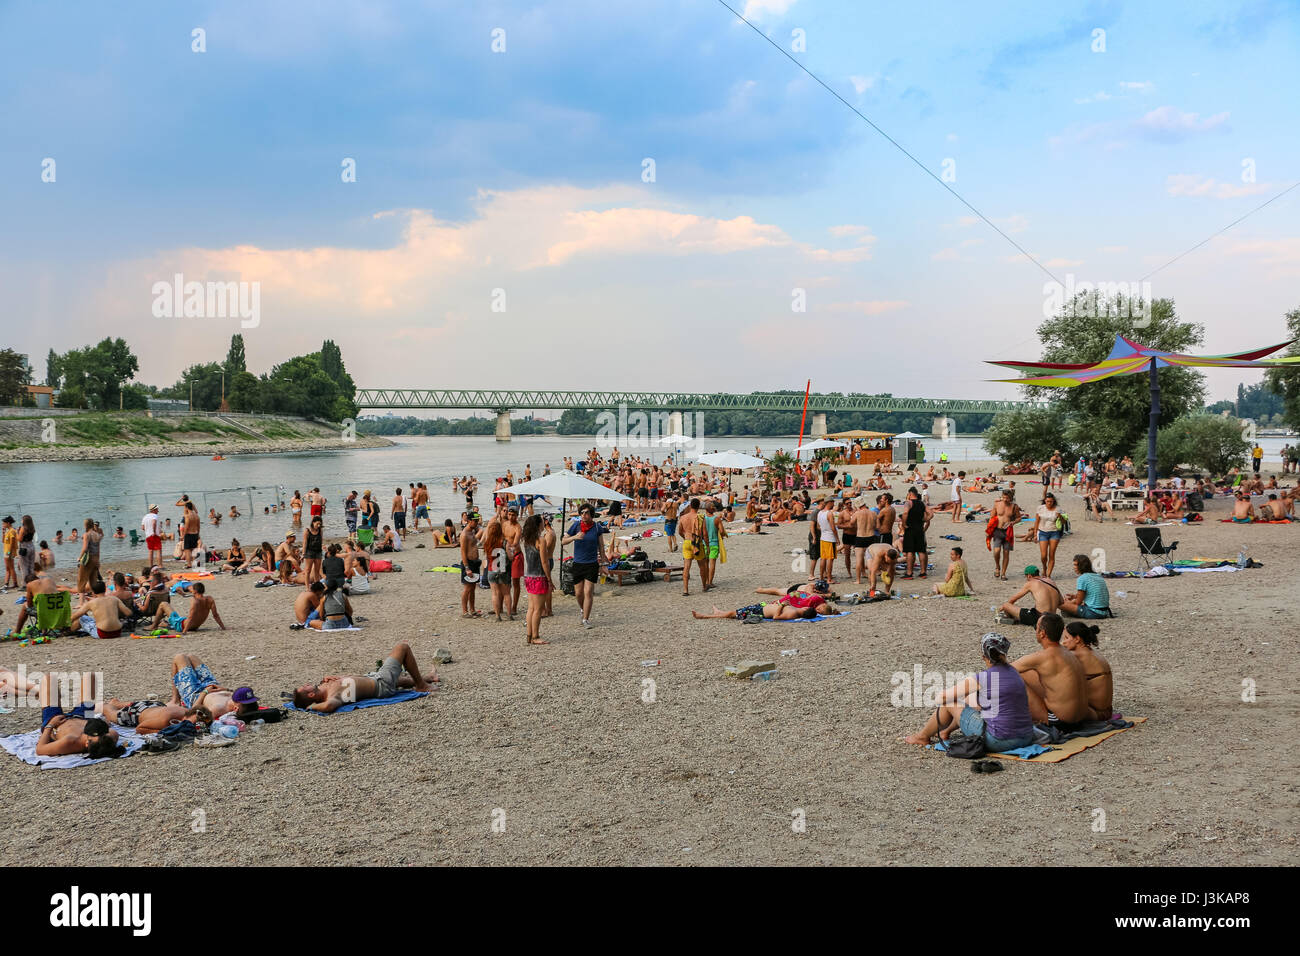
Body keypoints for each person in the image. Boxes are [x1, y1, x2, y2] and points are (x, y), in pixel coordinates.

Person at [903, 632, 1035, 752]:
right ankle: (945, 732)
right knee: (971, 699)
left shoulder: (983, 678)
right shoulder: (1015, 672)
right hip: (1026, 737)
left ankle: (922, 736)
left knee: (950, 703)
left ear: (984, 656)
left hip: (999, 741)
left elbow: (942, 698)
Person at [292, 641, 437, 712]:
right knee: (402, 647)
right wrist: (313, 707)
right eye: (305, 687)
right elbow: (330, 705)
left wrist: (335, 678)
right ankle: (421, 685)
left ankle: (427, 678)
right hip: (381, 684)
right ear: (311, 694)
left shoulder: (324, 687)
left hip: (373, 678)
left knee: (398, 680)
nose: (306, 683)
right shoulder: (332, 696)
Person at [1011, 612, 1094, 723]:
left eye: (1036, 627)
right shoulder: (1069, 653)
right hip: (1082, 718)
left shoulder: (1042, 657)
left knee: (1013, 677)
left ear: (1042, 633)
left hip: (1061, 721)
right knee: (1028, 673)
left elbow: (1002, 670)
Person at [36, 673, 125, 759]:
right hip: (84, 716)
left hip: (55, 722)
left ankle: (42, 692)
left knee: (49, 678)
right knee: (90, 676)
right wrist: (102, 724)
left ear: (87, 743)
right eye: (102, 732)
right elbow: (108, 730)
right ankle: (47, 693)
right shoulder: (110, 737)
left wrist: (50, 725)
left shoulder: (70, 742)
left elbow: (40, 750)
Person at [562, 503, 607, 629]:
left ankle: (586, 619)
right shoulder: (576, 526)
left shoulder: (597, 527)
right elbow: (563, 541)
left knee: (588, 592)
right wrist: (575, 537)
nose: (583, 515)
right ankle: (583, 609)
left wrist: (603, 564)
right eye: (581, 512)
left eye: (586, 512)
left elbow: (602, 547)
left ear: (591, 514)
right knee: (578, 593)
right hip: (578, 563)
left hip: (592, 564)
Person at [1062, 621, 1113, 720]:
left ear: (1077, 639)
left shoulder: (1077, 655)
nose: (1063, 642)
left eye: (1066, 638)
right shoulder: (1091, 652)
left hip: (1094, 713)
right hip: (1107, 711)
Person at [168, 652, 243, 719]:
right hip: (211, 685)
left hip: (195, 695)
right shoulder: (243, 701)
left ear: (236, 708)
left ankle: (175, 700)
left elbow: (193, 712)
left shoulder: (218, 708)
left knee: (179, 657)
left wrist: (205, 692)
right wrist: (226, 689)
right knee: (191, 656)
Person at [997, 564, 1062, 627]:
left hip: (1039, 618)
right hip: (1053, 617)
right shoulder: (1050, 581)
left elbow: (1013, 599)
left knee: (1006, 605)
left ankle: (1012, 618)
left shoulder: (1031, 583)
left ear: (1029, 576)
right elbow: (1061, 602)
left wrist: (1004, 609)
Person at [104, 698, 211, 734]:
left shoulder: (188, 712)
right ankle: (106, 705)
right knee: (111, 714)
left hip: (155, 705)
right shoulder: (165, 720)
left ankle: (116, 703)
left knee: (136, 704)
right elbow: (140, 728)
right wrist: (159, 731)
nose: (194, 725)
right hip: (136, 713)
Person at [152, 582, 226, 633]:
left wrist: (184, 632)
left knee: (163, 604)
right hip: (194, 626)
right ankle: (163, 624)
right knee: (178, 618)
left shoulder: (195, 601)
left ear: (194, 591)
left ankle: (154, 626)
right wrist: (223, 627)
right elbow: (215, 615)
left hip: (181, 625)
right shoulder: (210, 599)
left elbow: (191, 617)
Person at [520, 514, 549, 645]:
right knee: (538, 609)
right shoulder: (540, 540)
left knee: (531, 608)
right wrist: (549, 579)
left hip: (529, 576)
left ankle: (529, 635)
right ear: (538, 525)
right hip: (539, 576)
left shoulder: (527, 539)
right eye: (542, 522)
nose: (544, 524)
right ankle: (535, 636)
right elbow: (544, 562)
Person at [1060, 554, 1112, 619]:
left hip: (1094, 612)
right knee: (1069, 604)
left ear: (1081, 566)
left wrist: (1067, 603)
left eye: (1076, 565)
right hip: (1105, 611)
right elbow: (1090, 594)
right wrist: (1074, 596)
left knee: (1060, 604)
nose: (1074, 567)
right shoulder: (1098, 576)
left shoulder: (1082, 578)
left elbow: (1078, 602)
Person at [898, 487, 931, 580]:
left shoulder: (908, 502)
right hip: (920, 528)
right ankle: (923, 572)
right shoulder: (922, 503)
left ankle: (909, 573)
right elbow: (931, 513)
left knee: (910, 551)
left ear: (910, 493)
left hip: (910, 529)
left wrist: (904, 524)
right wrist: (925, 520)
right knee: (921, 550)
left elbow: (905, 513)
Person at [989, 490, 1021, 581]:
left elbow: (1019, 518)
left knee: (1006, 553)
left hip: (1008, 532)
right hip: (997, 531)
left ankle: (1003, 573)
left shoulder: (1014, 507)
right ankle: (997, 566)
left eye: (1007, 498)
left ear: (1011, 498)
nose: (1005, 499)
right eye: (1004, 497)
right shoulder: (997, 504)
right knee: (996, 551)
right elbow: (992, 516)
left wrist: (1012, 522)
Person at [692, 601, 822, 621]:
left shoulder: (793, 614)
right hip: (761, 608)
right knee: (735, 611)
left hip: (760, 613)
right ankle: (719, 612)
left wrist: (781, 605)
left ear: (805, 610)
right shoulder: (795, 610)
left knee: (733, 614)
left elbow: (776, 617)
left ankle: (705, 616)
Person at [679, 498, 705, 596]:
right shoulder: (700, 517)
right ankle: (704, 586)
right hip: (697, 542)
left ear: (690, 506)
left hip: (686, 541)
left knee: (686, 567)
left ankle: (685, 590)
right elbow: (704, 533)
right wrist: (706, 543)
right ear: (698, 506)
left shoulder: (683, 517)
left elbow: (680, 531)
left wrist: (686, 538)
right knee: (702, 565)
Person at [1033, 492, 1063, 578]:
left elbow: (1063, 522)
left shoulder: (1058, 509)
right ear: (1045, 501)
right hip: (1042, 532)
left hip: (1054, 532)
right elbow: (1037, 521)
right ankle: (1044, 568)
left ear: (1053, 501)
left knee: (1052, 554)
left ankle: (1048, 575)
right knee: (1043, 556)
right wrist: (1035, 533)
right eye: (1047, 501)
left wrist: (1060, 516)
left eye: (1051, 501)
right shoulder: (1040, 508)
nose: (1049, 503)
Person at [459, 512, 483, 618]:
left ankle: (472, 609)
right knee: (467, 588)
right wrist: (466, 567)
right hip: (468, 563)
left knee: (473, 588)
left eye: (477, 521)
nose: (477, 523)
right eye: (475, 521)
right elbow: (463, 552)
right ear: (469, 521)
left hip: (475, 563)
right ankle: (464, 611)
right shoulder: (464, 534)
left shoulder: (472, 531)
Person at [701, 498, 727, 591]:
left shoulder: (703, 518)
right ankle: (710, 582)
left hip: (704, 543)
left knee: (705, 563)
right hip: (714, 543)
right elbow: (722, 531)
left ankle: (706, 581)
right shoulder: (716, 519)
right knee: (712, 563)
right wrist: (722, 536)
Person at [815, 498, 839, 585]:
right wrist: (837, 538)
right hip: (830, 537)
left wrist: (824, 529)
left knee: (823, 558)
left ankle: (821, 577)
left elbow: (818, 526)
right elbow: (833, 528)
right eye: (833, 502)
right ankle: (829, 578)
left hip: (823, 537)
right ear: (830, 502)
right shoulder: (829, 513)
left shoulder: (820, 513)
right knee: (830, 558)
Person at [15, 515, 36, 583]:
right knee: (31, 565)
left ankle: (25, 584)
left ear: (24, 521)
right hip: (31, 546)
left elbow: (19, 539)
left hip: (24, 547)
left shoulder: (23, 528)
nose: (21, 521)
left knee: (24, 566)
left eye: (22, 519)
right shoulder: (32, 528)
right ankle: (32, 581)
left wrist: (16, 532)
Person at [141, 504, 162, 569]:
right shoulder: (154, 516)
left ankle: (151, 566)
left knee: (150, 551)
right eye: (157, 509)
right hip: (154, 535)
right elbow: (154, 523)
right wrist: (154, 532)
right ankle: (160, 566)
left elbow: (142, 527)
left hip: (148, 536)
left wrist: (148, 531)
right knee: (158, 550)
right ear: (154, 510)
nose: (158, 510)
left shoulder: (145, 517)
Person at [2, 515, 16, 589]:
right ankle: (6, 584)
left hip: (9, 552)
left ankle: (15, 583)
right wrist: (3, 532)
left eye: (4, 523)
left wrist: (9, 553)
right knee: (8, 568)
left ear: (8, 523)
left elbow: (12, 543)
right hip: (6, 552)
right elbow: (3, 541)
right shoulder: (7, 531)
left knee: (11, 568)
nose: (3, 525)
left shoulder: (12, 531)